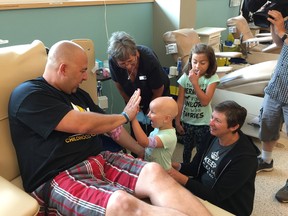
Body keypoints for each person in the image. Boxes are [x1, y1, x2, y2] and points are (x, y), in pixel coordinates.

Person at [8, 40, 212, 216]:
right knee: (122, 203)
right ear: (62, 69)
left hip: (100, 159)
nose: (86, 77)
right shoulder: (29, 94)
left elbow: (110, 129)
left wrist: (141, 151)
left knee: (154, 171)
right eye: (81, 71)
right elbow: (82, 124)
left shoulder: (79, 95)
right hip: (59, 175)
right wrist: (124, 116)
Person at [169, 100, 260, 216]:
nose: (210, 123)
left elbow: (216, 196)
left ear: (234, 126)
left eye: (217, 120)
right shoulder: (212, 135)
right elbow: (195, 167)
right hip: (203, 190)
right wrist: (177, 166)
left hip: (227, 206)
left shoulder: (246, 160)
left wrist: (180, 178)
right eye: (212, 117)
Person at [107, 31, 170, 138]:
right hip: (133, 96)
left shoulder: (149, 60)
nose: (128, 66)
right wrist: (133, 106)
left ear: (136, 53)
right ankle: (137, 153)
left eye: (130, 61)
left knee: (154, 128)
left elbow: (158, 89)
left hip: (156, 95)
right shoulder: (113, 62)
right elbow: (121, 89)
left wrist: (150, 109)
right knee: (136, 127)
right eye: (122, 64)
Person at [257, 10, 288, 203]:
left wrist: (282, 30)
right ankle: (266, 160)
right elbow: (280, 45)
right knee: (267, 124)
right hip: (277, 87)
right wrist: (274, 27)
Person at [175, 43, 220, 163]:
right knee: (187, 149)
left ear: (210, 63)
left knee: (202, 150)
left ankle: (199, 170)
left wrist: (195, 83)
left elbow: (205, 101)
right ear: (190, 61)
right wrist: (177, 120)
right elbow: (180, 101)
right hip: (187, 121)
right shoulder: (185, 78)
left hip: (203, 122)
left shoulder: (212, 78)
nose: (197, 66)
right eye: (194, 62)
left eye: (202, 63)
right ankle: (185, 169)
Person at [131, 96, 178, 170]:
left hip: (161, 173)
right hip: (151, 168)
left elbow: (145, 142)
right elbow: (147, 144)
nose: (148, 115)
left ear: (166, 118)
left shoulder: (168, 136)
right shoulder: (158, 129)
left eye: (152, 112)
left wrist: (133, 119)